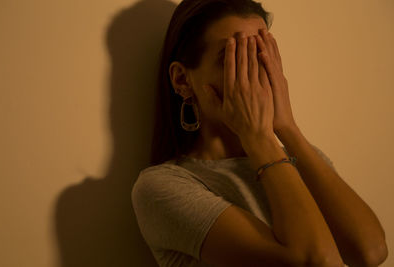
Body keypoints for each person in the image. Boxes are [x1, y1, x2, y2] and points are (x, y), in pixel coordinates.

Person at [131, 0, 388, 266]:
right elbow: (316, 261)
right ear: (182, 80)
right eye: (235, 59)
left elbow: (371, 252)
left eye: (262, 55)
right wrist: (258, 137)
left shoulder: (296, 160)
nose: (255, 75)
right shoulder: (163, 187)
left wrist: (287, 128)